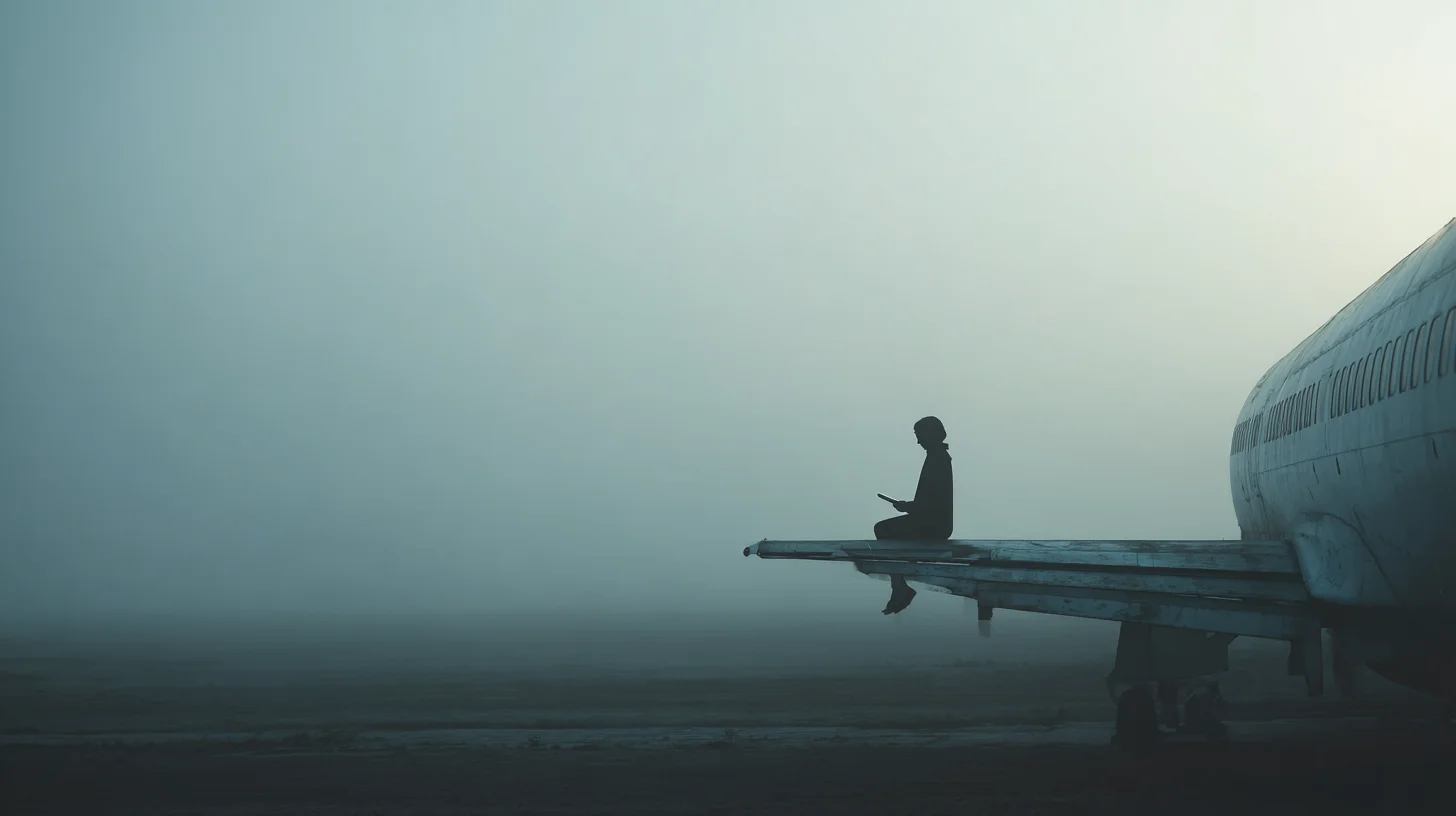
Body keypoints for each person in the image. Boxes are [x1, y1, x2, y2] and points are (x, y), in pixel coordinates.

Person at [875, 416, 953, 614]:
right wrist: (909, 507)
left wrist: (908, 507)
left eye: (920, 435)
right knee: (885, 530)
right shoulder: (938, 457)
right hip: (935, 521)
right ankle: (899, 584)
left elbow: (931, 503)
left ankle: (899, 585)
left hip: (934, 524)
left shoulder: (937, 459)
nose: (918, 441)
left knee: (882, 529)